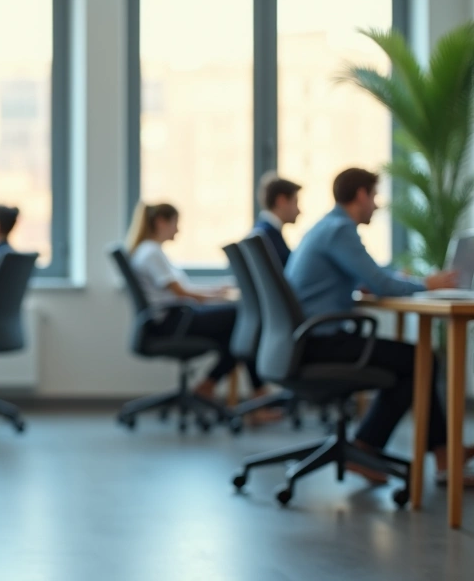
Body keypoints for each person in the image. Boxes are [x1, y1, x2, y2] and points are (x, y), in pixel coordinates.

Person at [286, 167, 474, 485]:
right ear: (360, 195)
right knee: (421, 359)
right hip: (320, 341)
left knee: (414, 362)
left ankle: (429, 451)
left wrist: (389, 281)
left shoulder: (326, 227)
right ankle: (398, 449)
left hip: (306, 339)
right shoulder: (339, 230)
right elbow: (381, 284)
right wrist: (427, 284)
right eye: (374, 196)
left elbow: (370, 277)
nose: (376, 204)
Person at [126, 202, 278, 413]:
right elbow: (181, 293)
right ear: (161, 222)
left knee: (235, 335)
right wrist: (216, 297)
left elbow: (181, 290)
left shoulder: (150, 251)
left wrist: (216, 291)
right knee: (245, 319)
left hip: (175, 318)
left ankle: (212, 387)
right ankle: (255, 399)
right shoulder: (151, 253)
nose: (178, 229)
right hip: (174, 321)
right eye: (175, 223)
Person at [253, 173, 301, 267]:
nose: (299, 211)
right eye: (295, 202)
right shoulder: (268, 237)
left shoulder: (261, 231)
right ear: (281, 201)